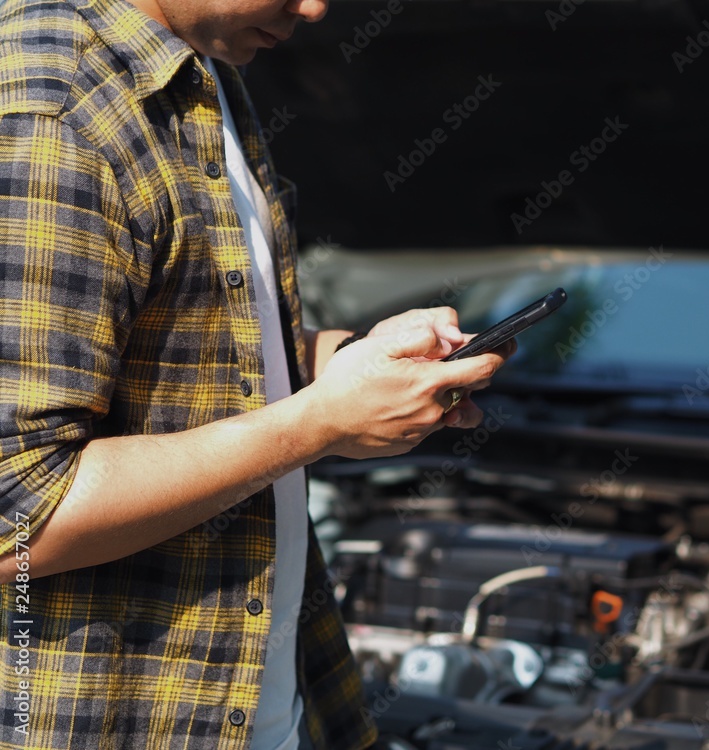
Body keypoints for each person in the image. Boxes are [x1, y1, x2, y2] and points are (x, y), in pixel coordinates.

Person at [0, 0, 512, 747]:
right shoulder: (56, 114)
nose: (315, 7)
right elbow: (16, 518)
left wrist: (349, 367)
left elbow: (195, 350)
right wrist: (320, 423)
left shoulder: (199, 67)